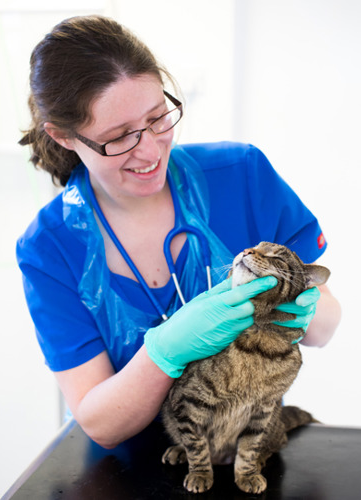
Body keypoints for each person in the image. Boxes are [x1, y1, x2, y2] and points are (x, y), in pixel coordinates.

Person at [17, 15, 341, 449]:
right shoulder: (48, 247)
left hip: (243, 445)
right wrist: (165, 351)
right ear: (63, 136)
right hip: (130, 469)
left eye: (157, 118)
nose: (150, 151)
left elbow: (325, 328)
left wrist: (293, 303)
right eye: (119, 137)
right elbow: (100, 423)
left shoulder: (241, 175)